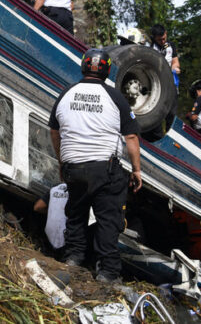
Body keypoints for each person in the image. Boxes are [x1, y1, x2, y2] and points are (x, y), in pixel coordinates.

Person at [49, 48, 142, 283]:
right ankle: (107, 273)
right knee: (108, 219)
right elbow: (131, 137)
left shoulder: (66, 94)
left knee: (77, 214)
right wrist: (137, 170)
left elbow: (54, 130)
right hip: (105, 169)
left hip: (73, 168)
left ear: (83, 67)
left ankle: (73, 259)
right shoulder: (115, 96)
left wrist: (63, 161)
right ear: (107, 70)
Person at [33, 183, 69, 253]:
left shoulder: (54, 188)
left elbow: (37, 207)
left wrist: (52, 211)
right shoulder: (79, 190)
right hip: (67, 242)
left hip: (48, 239)